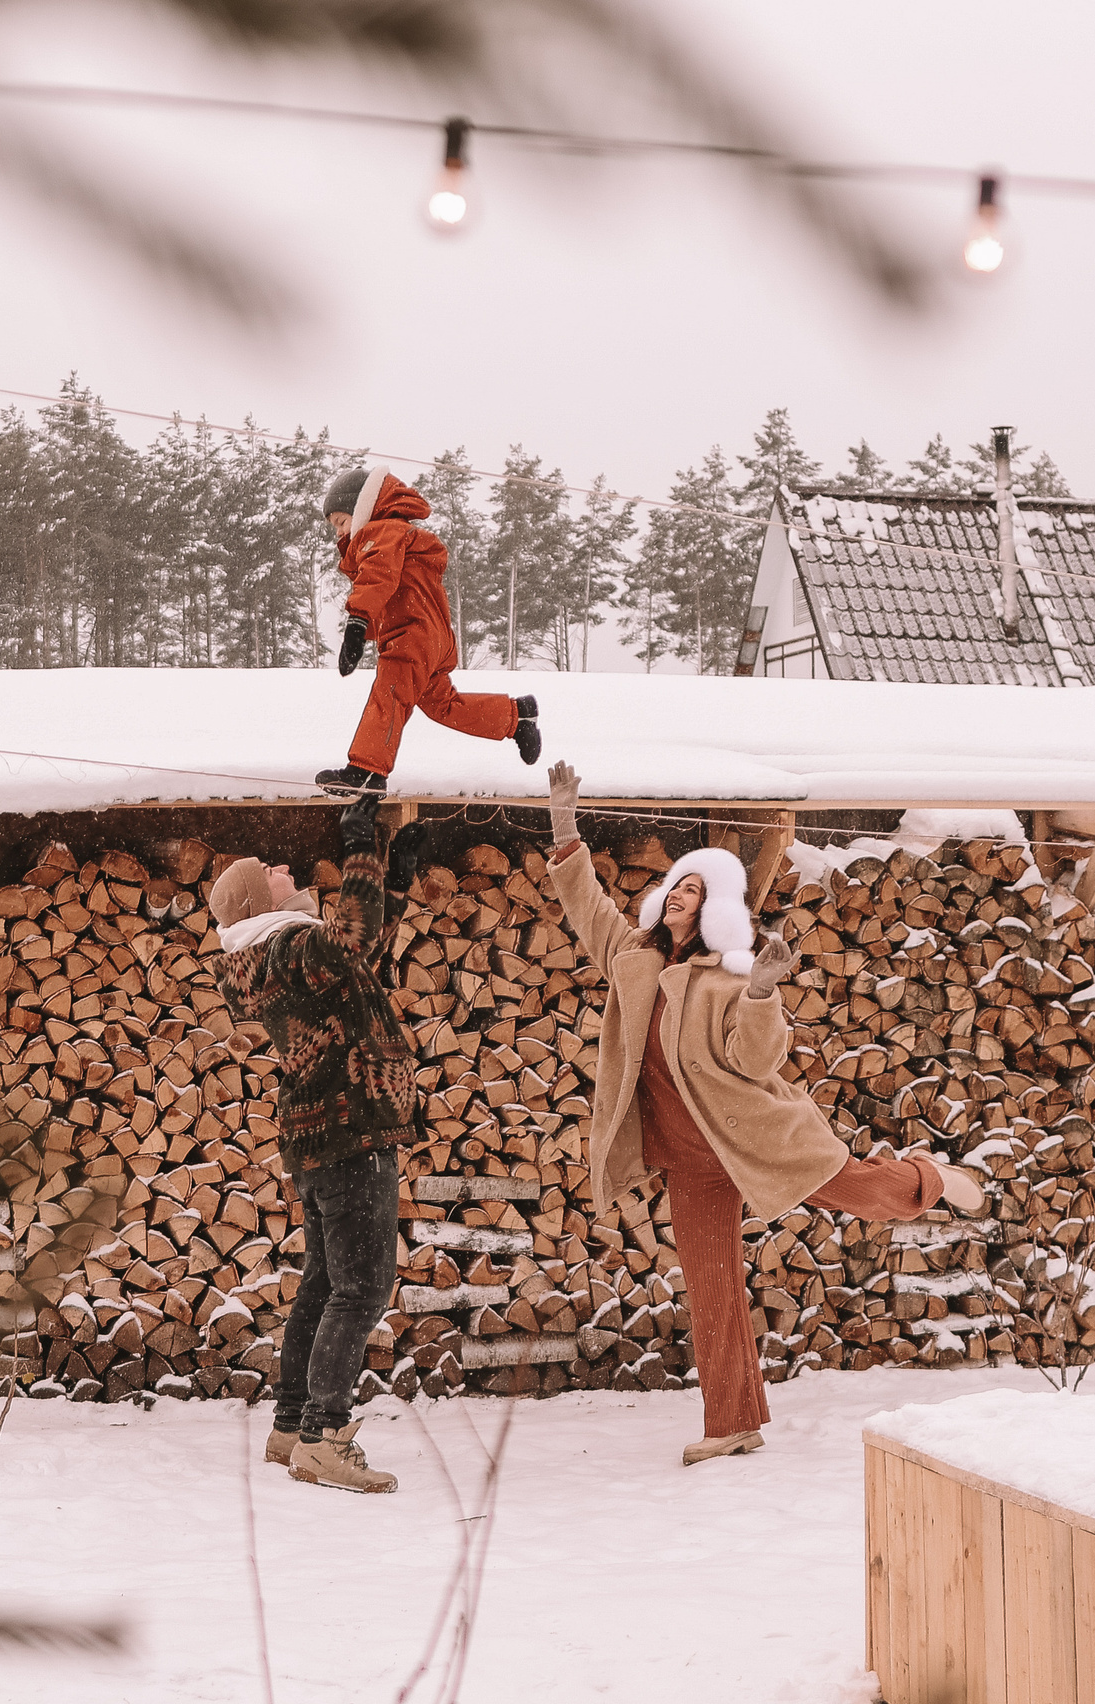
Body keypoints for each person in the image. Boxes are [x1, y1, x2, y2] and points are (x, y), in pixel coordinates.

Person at [542, 761, 985, 1466]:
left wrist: (762, 992)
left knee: (869, 1196)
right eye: (676, 884)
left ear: (714, 906)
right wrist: (566, 823)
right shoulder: (633, 957)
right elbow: (586, 903)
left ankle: (930, 1177)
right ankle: (732, 1422)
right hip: (692, 1159)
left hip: (760, 1136)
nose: (681, 893)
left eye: (696, 887)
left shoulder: (728, 972)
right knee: (711, 1283)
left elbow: (755, 1060)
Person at [208, 796, 415, 1493]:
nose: (283, 865)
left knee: (326, 1284)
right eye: (267, 868)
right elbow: (353, 937)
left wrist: (392, 865)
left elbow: (363, 944)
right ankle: (325, 1434)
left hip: (323, 1134)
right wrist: (357, 841)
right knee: (362, 1288)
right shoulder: (294, 946)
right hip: (353, 1130)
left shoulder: (282, 953)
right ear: (252, 902)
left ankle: (292, 1425)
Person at [314, 464, 541, 797]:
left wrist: (356, 622)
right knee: (443, 705)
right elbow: (396, 592)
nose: (338, 533)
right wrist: (366, 633)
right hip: (429, 636)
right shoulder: (400, 534)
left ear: (363, 508)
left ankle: (367, 770)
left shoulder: (381, 531)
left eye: (341, 522)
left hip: (412, 635)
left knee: (389, 696)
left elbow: (378, 576)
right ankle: (516, 716)